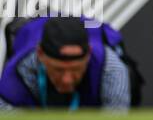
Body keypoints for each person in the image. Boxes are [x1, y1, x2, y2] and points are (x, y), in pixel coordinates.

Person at [0, 18, 131, 112]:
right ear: (40, 54)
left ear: (89, 54)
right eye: (58, 69)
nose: (66, 79)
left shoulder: (112, 69)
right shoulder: (16, 75)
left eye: (75, 69)